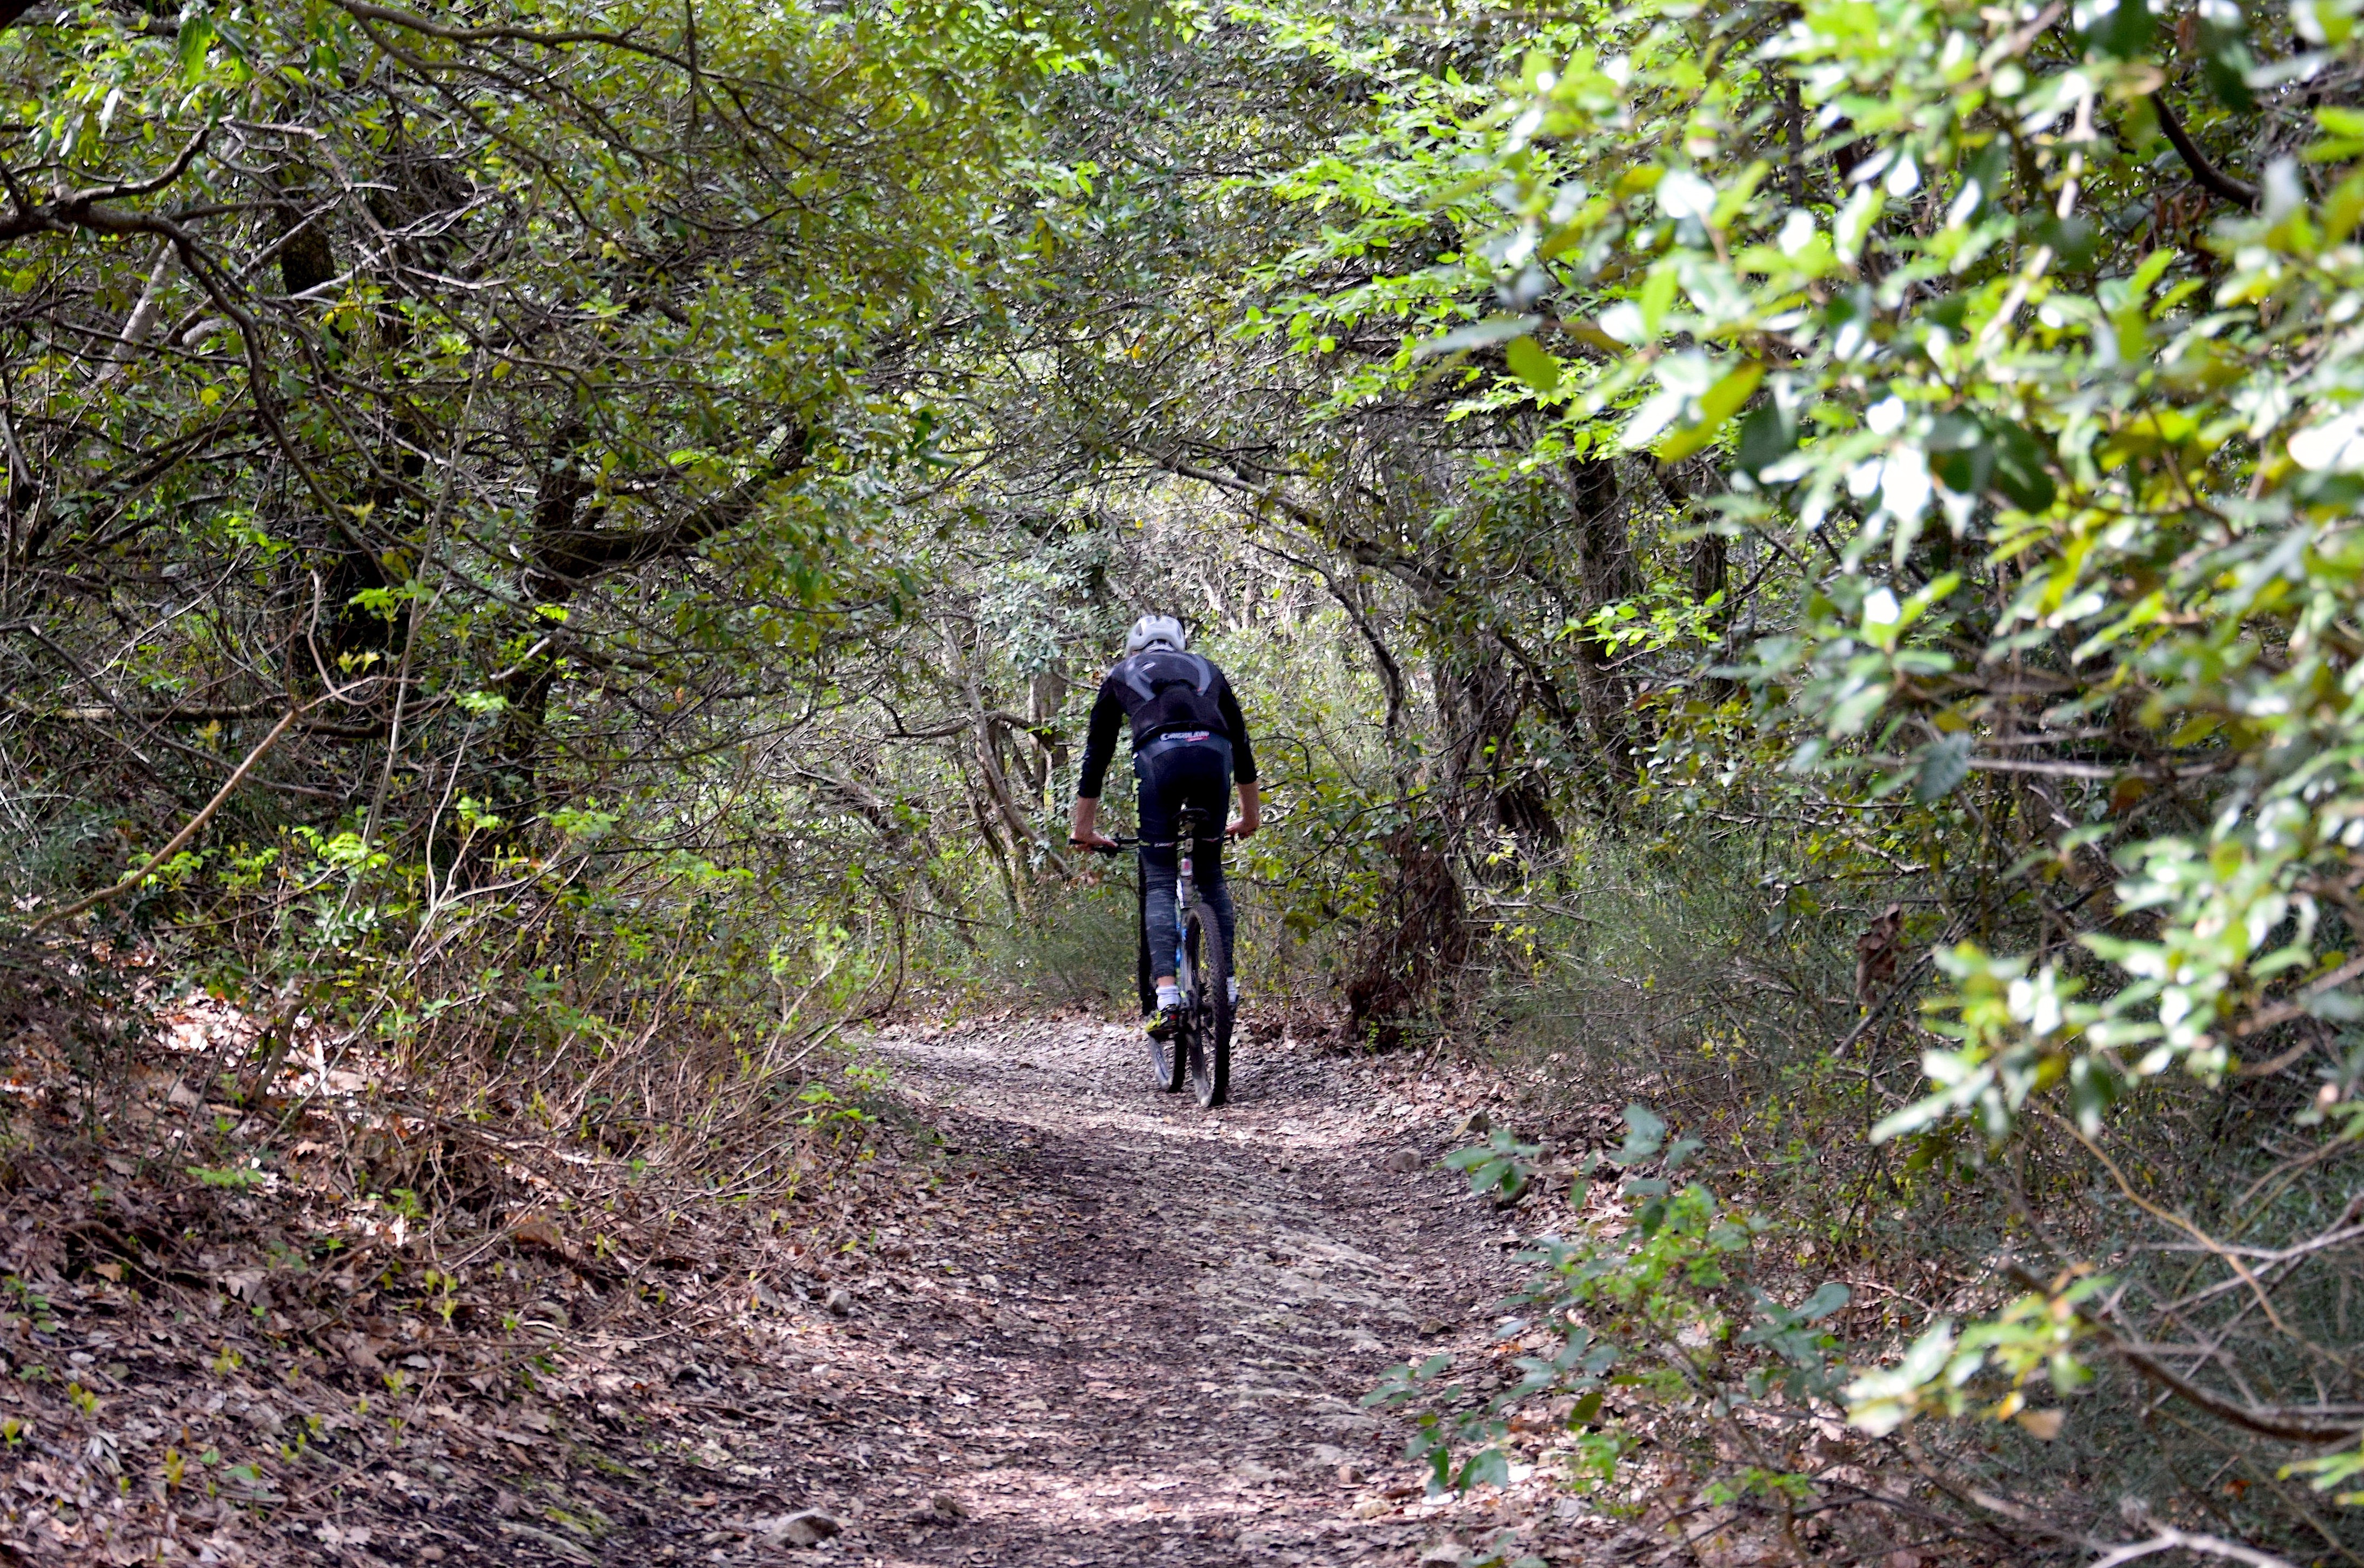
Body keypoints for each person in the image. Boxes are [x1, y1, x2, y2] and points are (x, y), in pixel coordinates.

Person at [1068, 614, 1259, 1038]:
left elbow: (1095, 760)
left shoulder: (1121, 674)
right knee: (1210, 874)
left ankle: (1168, 1000)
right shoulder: (1208, 669)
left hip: (1159, 761)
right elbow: (1243, 748)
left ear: (1135, 649)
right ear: (1180, 646)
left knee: (1159, 878)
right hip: (1214, 757)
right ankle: (1226, 989)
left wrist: (1084, 830)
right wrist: (1250, 818)